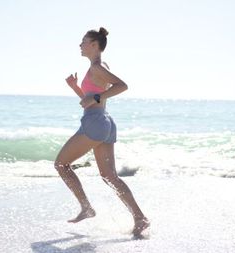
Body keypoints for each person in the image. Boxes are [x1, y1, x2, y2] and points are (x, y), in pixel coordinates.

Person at [55, 27, 149, 237]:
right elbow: (88, 101)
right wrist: (75, 87)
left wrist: (95, 97)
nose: (80, 45)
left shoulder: (97, 67)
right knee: (109, 176)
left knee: (61, 164)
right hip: (103, 122)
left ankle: (86, 207)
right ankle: (140, 218)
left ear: (94, 45)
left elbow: (122, 86)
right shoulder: (98, 67)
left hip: (95, 123)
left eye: (83, 41)